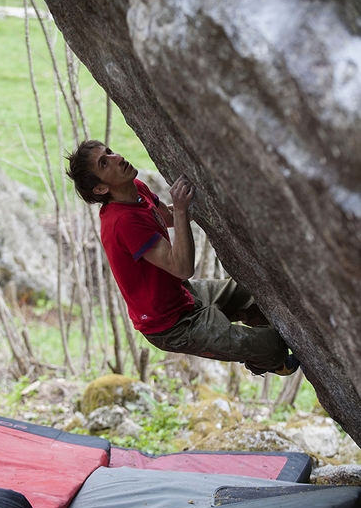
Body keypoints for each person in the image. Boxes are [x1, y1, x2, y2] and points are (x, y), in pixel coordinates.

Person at [66, 139, 300, 377]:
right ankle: (266, 358)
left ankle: (255, 342)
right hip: (171, 325)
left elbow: (166, 219)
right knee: (273, 345)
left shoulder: (134, 188)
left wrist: (201, 203)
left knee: (255, 294)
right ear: (100, 189)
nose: (117, 158)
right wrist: (180, 208)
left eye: (110, 152)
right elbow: (182, 267)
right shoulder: (122, 223)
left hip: (182, 295)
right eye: (104, 163)